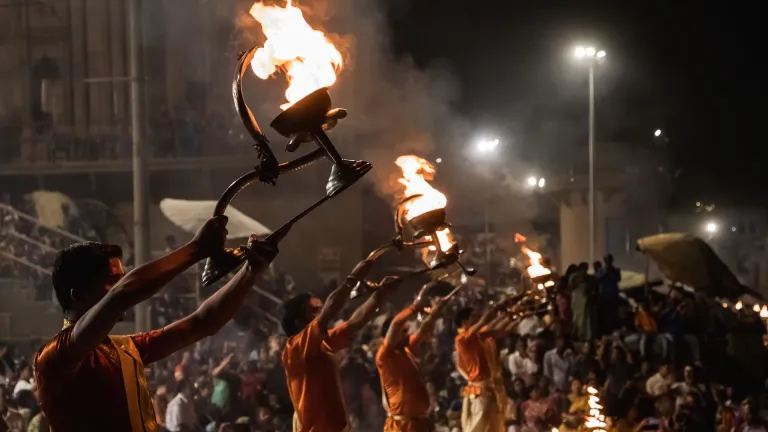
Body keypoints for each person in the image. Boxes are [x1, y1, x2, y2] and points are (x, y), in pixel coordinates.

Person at [34, 217, 278, 432]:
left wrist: (250, 272)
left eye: (122, 279)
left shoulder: (125, 349)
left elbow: (202, 322)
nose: (122, 285)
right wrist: (195, 249)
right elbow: (124, 294)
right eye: (112, 281)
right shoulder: (55, 357)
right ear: (80, 295)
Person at [280, 258, 402, 432]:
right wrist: (354, 277)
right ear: (300, 322)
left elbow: (354, 323)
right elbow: (330, 309)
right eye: (315, 310)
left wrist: (380, 294)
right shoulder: (295, 348)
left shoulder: (322, 341)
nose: (321, 312)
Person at [376, 281, 449, 432]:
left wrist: (436, 311)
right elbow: (396, 323)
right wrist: (416, 304)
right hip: (402, 426)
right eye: (404, 332)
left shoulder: (405, 349)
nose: (407, 334)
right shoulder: (384, 356)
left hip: (420, 424)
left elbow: (424, 328)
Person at [454, 302, 519, 432]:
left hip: (491, 389)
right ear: (465, 321)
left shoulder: (479, 336)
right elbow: (486, 321)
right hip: (480, 392)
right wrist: (498, 309)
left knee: (495, 426)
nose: (478, 317)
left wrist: (515, 315)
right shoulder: (462, 339)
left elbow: (500, 331)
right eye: (473, 316)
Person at [570, 263, 592, 342]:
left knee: (584, 319)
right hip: (577, 298)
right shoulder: (574, 276)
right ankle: (578, 335)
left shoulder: (587, 277)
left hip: (584, 299)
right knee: (577, 318)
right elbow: (571, 286)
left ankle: (584, 336)